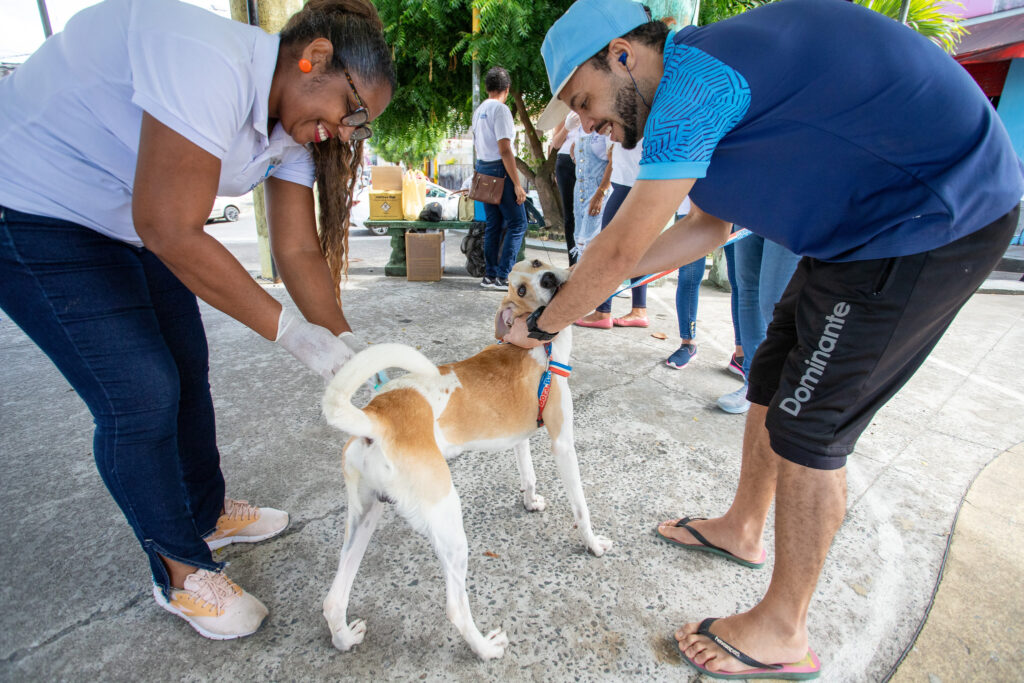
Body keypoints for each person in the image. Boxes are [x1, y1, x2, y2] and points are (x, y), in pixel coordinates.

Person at [509, 0, 1023, 677]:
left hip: (935, 210)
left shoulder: (695, 83)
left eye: (583, 98)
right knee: (775, 365)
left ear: (623, 55)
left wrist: (540, 325)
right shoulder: (694, 89)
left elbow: (621, 247)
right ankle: (744, 526)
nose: (585, 122)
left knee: (811, 423)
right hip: (862, 226)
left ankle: (784, 628)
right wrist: (583, 284)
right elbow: (706, 229)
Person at [0, 0, 395, 640]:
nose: (346, 133)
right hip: (30, 207)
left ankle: (205, 510)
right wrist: (293, 336)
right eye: (351, 111)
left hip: (119, 220)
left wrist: (348, 345)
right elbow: (169, 227)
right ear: (314, 58)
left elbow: (296, 249)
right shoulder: (209, 61)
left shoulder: (290, 126)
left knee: (187, 360)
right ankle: (179, 570)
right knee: (140, 391)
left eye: (359, 127)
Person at [717, 233, 801, 414]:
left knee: (774, 302)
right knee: (747, 290)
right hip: (749, 212)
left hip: (788, 213)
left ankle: (781, 390)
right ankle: (752, 384)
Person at [576, 139, 651, 329]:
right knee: (637, 250)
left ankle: (603, 310)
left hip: (627, 185)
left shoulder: (630, 116)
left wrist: (600, 191)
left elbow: (613, 161)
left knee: (608, 251)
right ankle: (638, 309)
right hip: (636, 184)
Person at [472, 66, 527, 290]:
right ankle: (503, 276)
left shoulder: (478, 111)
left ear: (487, 88)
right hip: (499, 169)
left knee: (493, 225)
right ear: (507, 88)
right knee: (518, 223)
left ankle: (490, 275)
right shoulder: (501, 110)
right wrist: (517, 184)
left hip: (483, 168)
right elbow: (505, 149)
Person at [664, 198, 707, 368]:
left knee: (742, 284)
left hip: (736, 211)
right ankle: (688, 343)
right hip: (693, 210)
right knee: (688, 276)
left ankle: (741, 353)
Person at [549, 111, 583, 265]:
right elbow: (555, 144)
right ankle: (573, 262)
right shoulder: (565, 109)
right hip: (566, 161)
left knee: (588, 214)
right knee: (570, 215)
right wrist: (567, 127)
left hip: (589, 158)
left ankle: (586, 260)